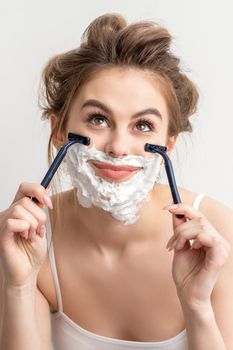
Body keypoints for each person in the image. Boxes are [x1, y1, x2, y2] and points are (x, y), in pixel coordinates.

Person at [0, 13, 233, 350]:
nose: (119, 148)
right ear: (59, 131)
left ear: (168, 144)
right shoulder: (26, 238)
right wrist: (17, 286)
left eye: (142, 126)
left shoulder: (219, 234)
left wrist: (198, 307)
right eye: (98, 119)